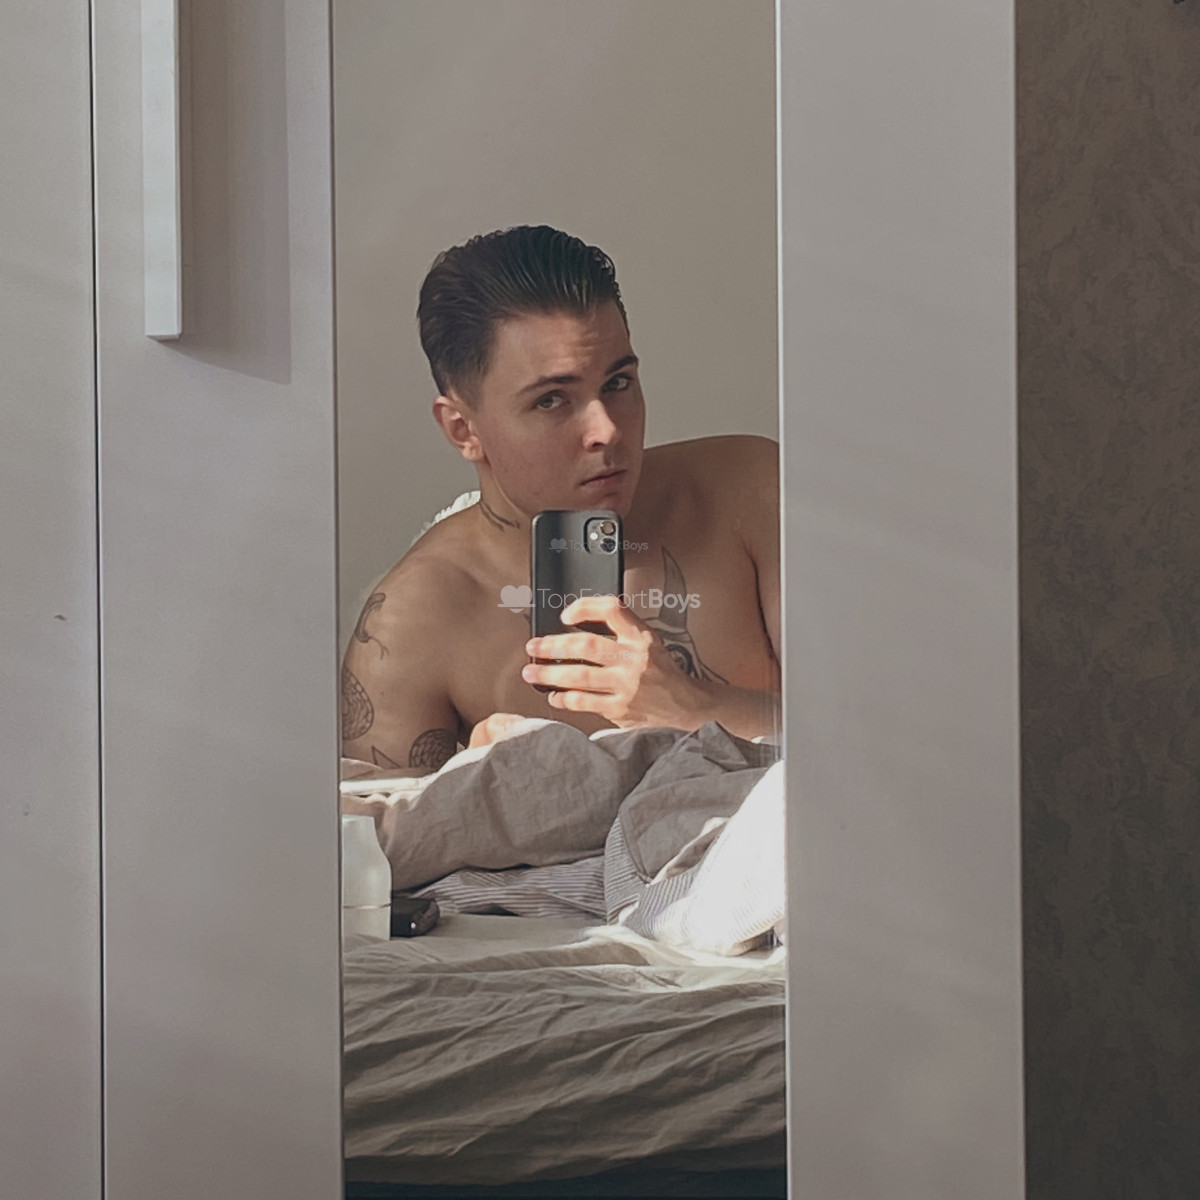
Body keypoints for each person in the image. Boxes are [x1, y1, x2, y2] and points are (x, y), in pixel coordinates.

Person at [341, 225, 780, 773]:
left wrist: (695, 708)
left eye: (617, 384)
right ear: (462, 429)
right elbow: (386, 826)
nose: (606, 430)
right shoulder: (409, 630)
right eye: (551, 400)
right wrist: (471, 786)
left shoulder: (750, 493)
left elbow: (874, 735)